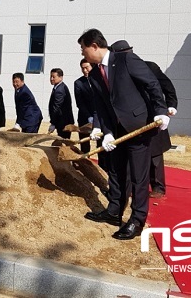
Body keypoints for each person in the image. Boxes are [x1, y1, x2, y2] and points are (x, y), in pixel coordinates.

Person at [78, 29, 169, 240]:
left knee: (138, 176)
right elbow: (101, 105)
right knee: (116, 173)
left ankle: (137, 220)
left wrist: (161, 111)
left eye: (83, 48)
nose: (82, 53)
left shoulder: (125, 59)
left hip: (138, 127)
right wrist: (106, 132)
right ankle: (114, 212)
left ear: (93, 45)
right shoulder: (93, 74)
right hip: (116, 132)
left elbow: (152, 83)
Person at [110, 40, 178, 199]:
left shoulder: (149, 66)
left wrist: (171, 105)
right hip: (133, 119)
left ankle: (158, 187)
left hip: (154, 116)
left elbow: (167, 86)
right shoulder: (116, 72)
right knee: (135, 155)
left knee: (155, 153)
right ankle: (133, 188)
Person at [74, 59, 96, 154]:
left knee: (101, 142)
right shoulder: (78, 83)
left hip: (99, 117)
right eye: (82, 68)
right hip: (84, 117)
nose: (85, 70)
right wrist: (88, 116)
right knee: (85, 144)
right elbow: (80, 103)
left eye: (87, 68)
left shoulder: (99, 80)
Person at [48, 68, 74, 139]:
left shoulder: (60, 90)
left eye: (54, 77)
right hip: (61, 121)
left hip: (64, 122)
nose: (51, 79)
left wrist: (53, 123)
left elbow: (56, 107)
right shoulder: (57, 87)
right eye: (51, 76)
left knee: (64, 142)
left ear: (61, 77)